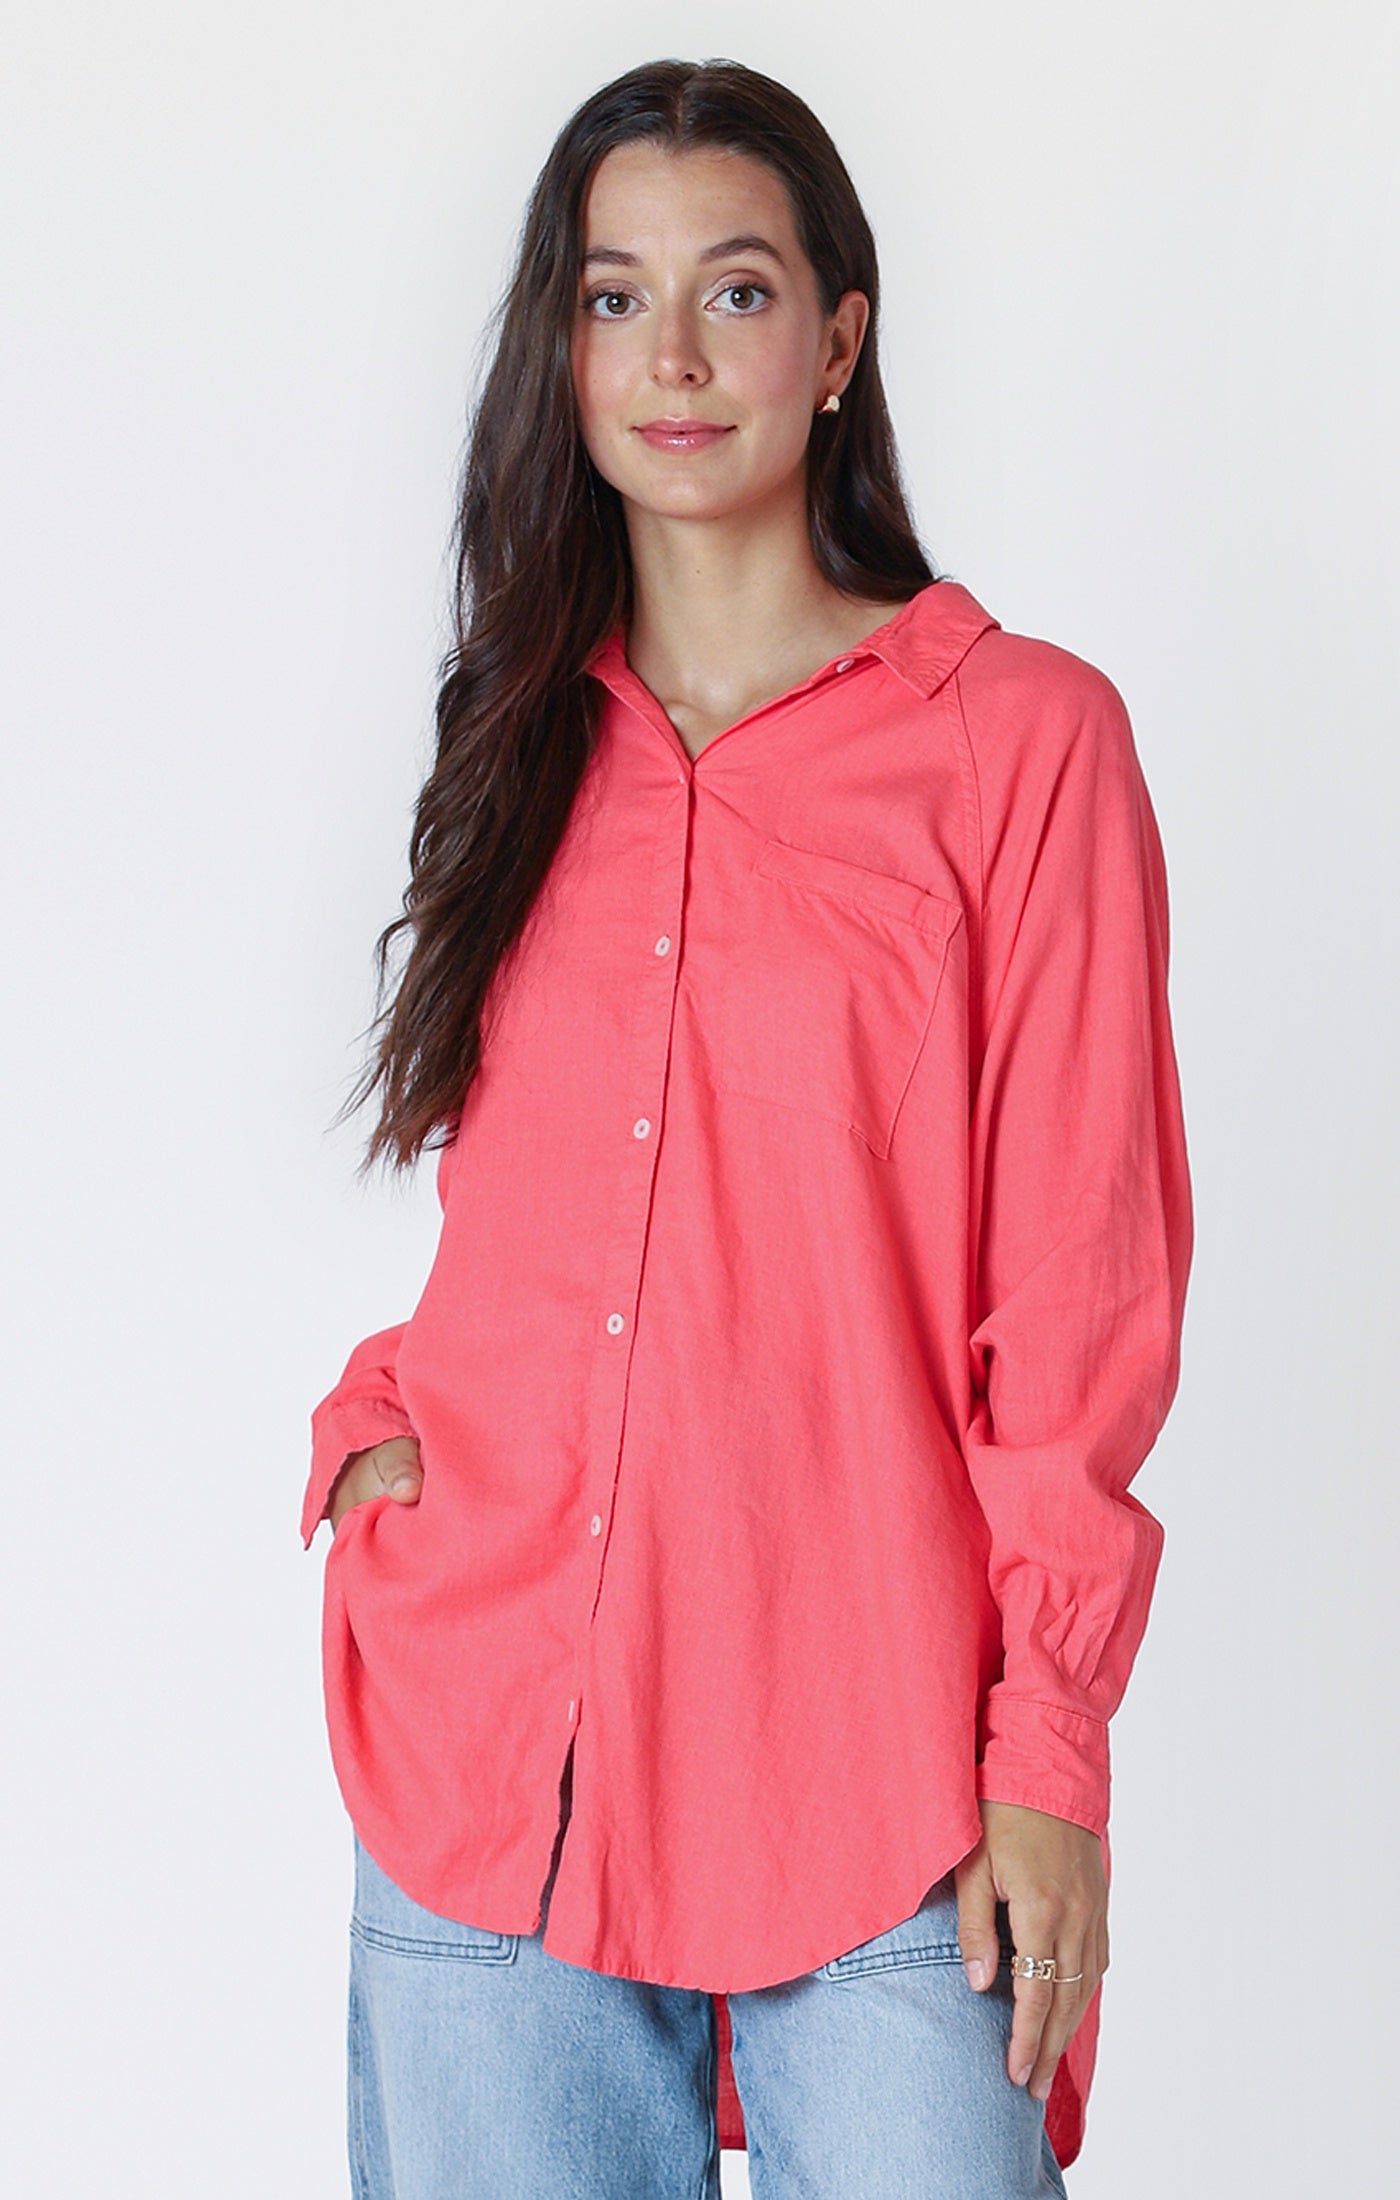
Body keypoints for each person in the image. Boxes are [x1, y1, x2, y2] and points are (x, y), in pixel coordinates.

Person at [301, 55, 1193, 2200]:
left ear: (839, 337)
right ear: (562, 346)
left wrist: (1048, 1751)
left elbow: (1078, 1300)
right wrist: (378, 1439)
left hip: (884, 1777)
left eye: (736, 291)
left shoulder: (1021, 744)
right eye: (613, 298)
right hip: (500, 1758)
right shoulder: (518, 737)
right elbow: (536, 1212)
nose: (673, 358)